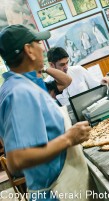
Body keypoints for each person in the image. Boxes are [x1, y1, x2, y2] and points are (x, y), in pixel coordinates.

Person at [0, 24, 94, 200]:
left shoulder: (28, 84)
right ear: (29, 50)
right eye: (37, 42)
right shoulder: (18, 93)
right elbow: (16, 160)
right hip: (54, 193)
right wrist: (69, 138)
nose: (42, 47)